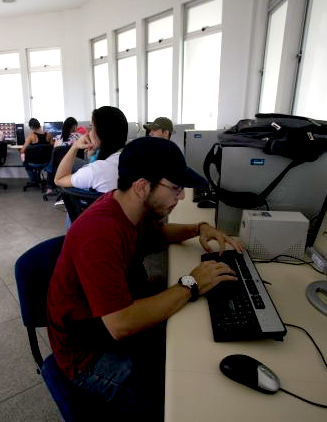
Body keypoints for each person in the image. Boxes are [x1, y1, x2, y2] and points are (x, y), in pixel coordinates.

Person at [47, 137, 244, 419]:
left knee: (194, 350)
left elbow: (160, 234)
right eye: (175, 189)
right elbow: (121, 324)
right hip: (88, 353)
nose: (182, 197)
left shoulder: (130, 209)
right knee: (177, 406)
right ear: (142, 186)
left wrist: (199, 227)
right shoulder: (99, 234)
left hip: (114, 318)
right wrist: (191, 284)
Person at [54, 106, 128, 193]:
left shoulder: (96, 170)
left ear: (101, 133)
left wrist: (75, 146)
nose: (88, 132)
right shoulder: (133, 156)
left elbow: (58, 180)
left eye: (92, 127)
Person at [21, 118, 52, 184]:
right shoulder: (49, 135)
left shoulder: (31, 136)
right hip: (46, 162)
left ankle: (33, 180)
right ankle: (37, 179)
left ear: (31, 127)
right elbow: (53, 147)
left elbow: (22, 150)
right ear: (40, 125)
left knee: (24, 159)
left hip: (34, 163)